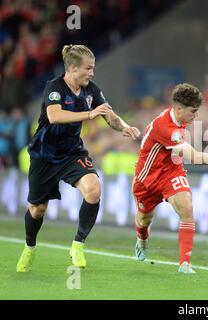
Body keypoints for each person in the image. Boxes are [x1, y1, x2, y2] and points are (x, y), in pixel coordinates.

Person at [16, 45, 141, 272]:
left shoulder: (91, 90)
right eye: (88, 68)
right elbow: (54, 116)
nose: (92, 73)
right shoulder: (54, 88)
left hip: (72, 153)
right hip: (45, 155)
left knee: (93, 190)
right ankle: (30, 247)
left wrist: (124, 126)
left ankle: (78, 245)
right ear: (73, 68)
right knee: (37, 209)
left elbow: (108, 115)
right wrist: (89, 114)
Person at [133, 83, 208, 274]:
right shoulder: (167, 128)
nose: (196, 115)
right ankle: (142, 239)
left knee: (186, 206)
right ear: (178, 109)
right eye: (193, 111)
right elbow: (194, 157)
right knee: (144, 219)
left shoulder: (178, 116)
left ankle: (185, 263)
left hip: (171, 172)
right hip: (147, 179)